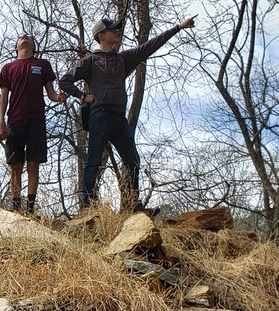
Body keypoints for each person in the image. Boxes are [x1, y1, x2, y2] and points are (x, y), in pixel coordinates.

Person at [60, 16, 196, 213]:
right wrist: (82, 96)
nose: (116, 32)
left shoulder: (123, 59)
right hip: (98, 117)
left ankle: (134, 206)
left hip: (119, 119)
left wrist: (178, 27)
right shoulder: (90, 61)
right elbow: (65, 81)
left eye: (117, 29)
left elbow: (151, 46)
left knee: (132, 160)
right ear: (101, 35)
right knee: (93, 162)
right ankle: (88, 209)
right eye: (112, 29)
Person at [0, 34, 68, 214]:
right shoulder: (8, 68)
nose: (25, 37)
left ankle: (30, 209)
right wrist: (0, 121)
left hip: (36, 121)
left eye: (29, 37)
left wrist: (58, 98)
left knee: (33, 164)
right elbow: (4, 97)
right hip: (14, 121)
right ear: (16, 46)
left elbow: (50, 92)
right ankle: (16, 209)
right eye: (21, 37)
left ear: (34, 46)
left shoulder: (42, 64)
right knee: (15, 166)